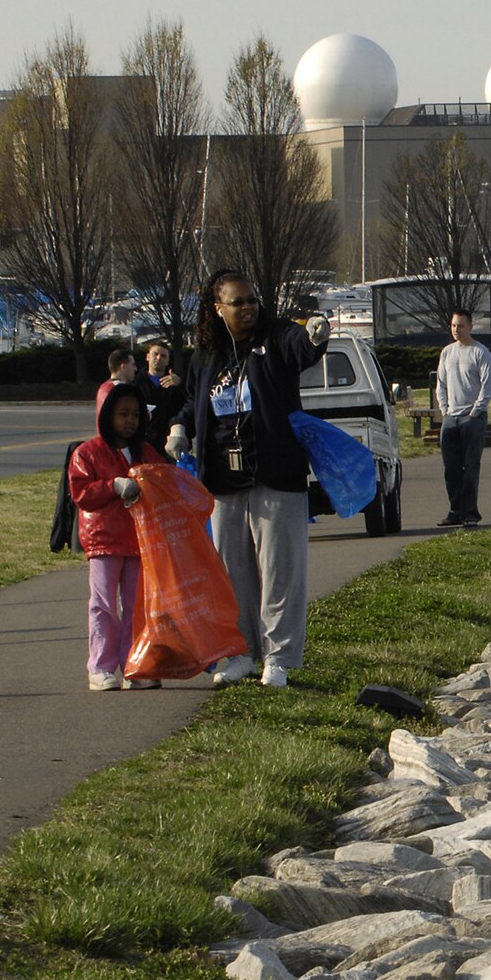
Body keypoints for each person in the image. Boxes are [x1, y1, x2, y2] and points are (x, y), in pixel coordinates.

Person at [167, 268, 329, 688]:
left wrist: (314, 334)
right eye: (238, 302)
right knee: (230, 573)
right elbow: (192, 401)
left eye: (252, 299)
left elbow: (301, 349)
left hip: (276, 474)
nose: (249, 307)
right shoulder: (206, 355)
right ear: (217, 308)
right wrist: (180, 428)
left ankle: (279, 657)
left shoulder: (274, 338)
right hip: (224, 480)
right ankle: (239, 654)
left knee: (280, 571)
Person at [68, 384, 164, 691]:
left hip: (137, 541)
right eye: (123, 414)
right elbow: (81, 493)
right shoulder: (87, 453)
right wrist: (113, 486)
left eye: (135, 414)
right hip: (104, 541)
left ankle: (134, 665)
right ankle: (101, 666)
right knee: (104, 604)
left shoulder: (146, 452)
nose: (130, 421)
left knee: (137, 606)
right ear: (106, 414)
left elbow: (161, 483)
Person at [436, 309, 491, 527]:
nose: (456, 330)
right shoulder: (447, 353)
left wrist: (476, 410)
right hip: (451, 418)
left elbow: (489, 385)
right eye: (453, 326)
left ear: (470, 327)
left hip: (472, 418)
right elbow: (440, 385)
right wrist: (444, 410)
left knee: (470, 467)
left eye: (460, 326)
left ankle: (470, 513)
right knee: (451, 468)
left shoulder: (480, 352)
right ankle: (455, 510)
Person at [139, 343, 186, 449]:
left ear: (168, 360)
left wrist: (180, 384)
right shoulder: (137, 383)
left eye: (163, 356)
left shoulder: (176, 382)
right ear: (147, 357)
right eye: (155, 354)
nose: (158, 358)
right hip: (145, 443)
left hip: (170, 441)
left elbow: (188, 405)